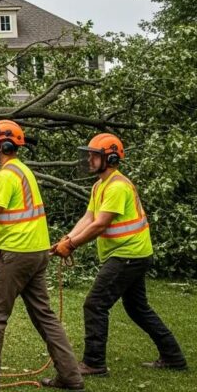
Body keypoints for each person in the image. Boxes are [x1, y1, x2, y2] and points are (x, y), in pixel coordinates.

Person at [0, 120, 83, 390]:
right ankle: (70, 375)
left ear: (6, 145)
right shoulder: (23, 172)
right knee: (44, 316)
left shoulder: (5, 176)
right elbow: (15, 216)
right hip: (36, 253)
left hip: (16, 255)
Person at [52, 133, 187, 376]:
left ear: (111, 158)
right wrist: (67, 238)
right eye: (90, 154)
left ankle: (94, 363)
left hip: (128, 254)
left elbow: (100, 225)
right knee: (137, 308)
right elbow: (88, 218)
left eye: (95, 155)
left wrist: (72, 246)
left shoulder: (117, 187)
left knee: (95, 304)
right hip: (130, 253)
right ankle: (173, 356)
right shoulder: (99, 186)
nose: (89, 159)